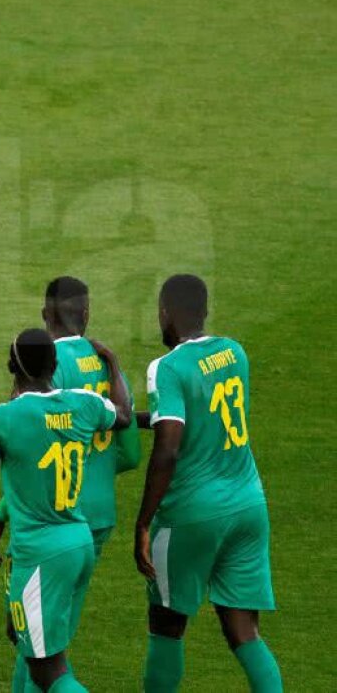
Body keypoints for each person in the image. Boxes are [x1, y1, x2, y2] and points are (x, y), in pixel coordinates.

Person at [0, 277, 142, 689]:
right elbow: (131, 451)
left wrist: (0, 516)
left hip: (47, 519)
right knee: (45, 633)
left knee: (35, 642)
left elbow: (30, 448)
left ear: (45, 313)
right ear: (86, 313)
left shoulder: (50, 367)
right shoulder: (100, 360)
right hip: (96, 517)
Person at [136, 275, 281, 692]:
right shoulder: (234, 352)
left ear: (166, 312)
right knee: (244, 632)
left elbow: (169, 449)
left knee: (166, 624)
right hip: (247, 504)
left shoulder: (168, 367)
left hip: (193, 514)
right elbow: (202, 419)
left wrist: (143, 522)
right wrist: (132, 419)